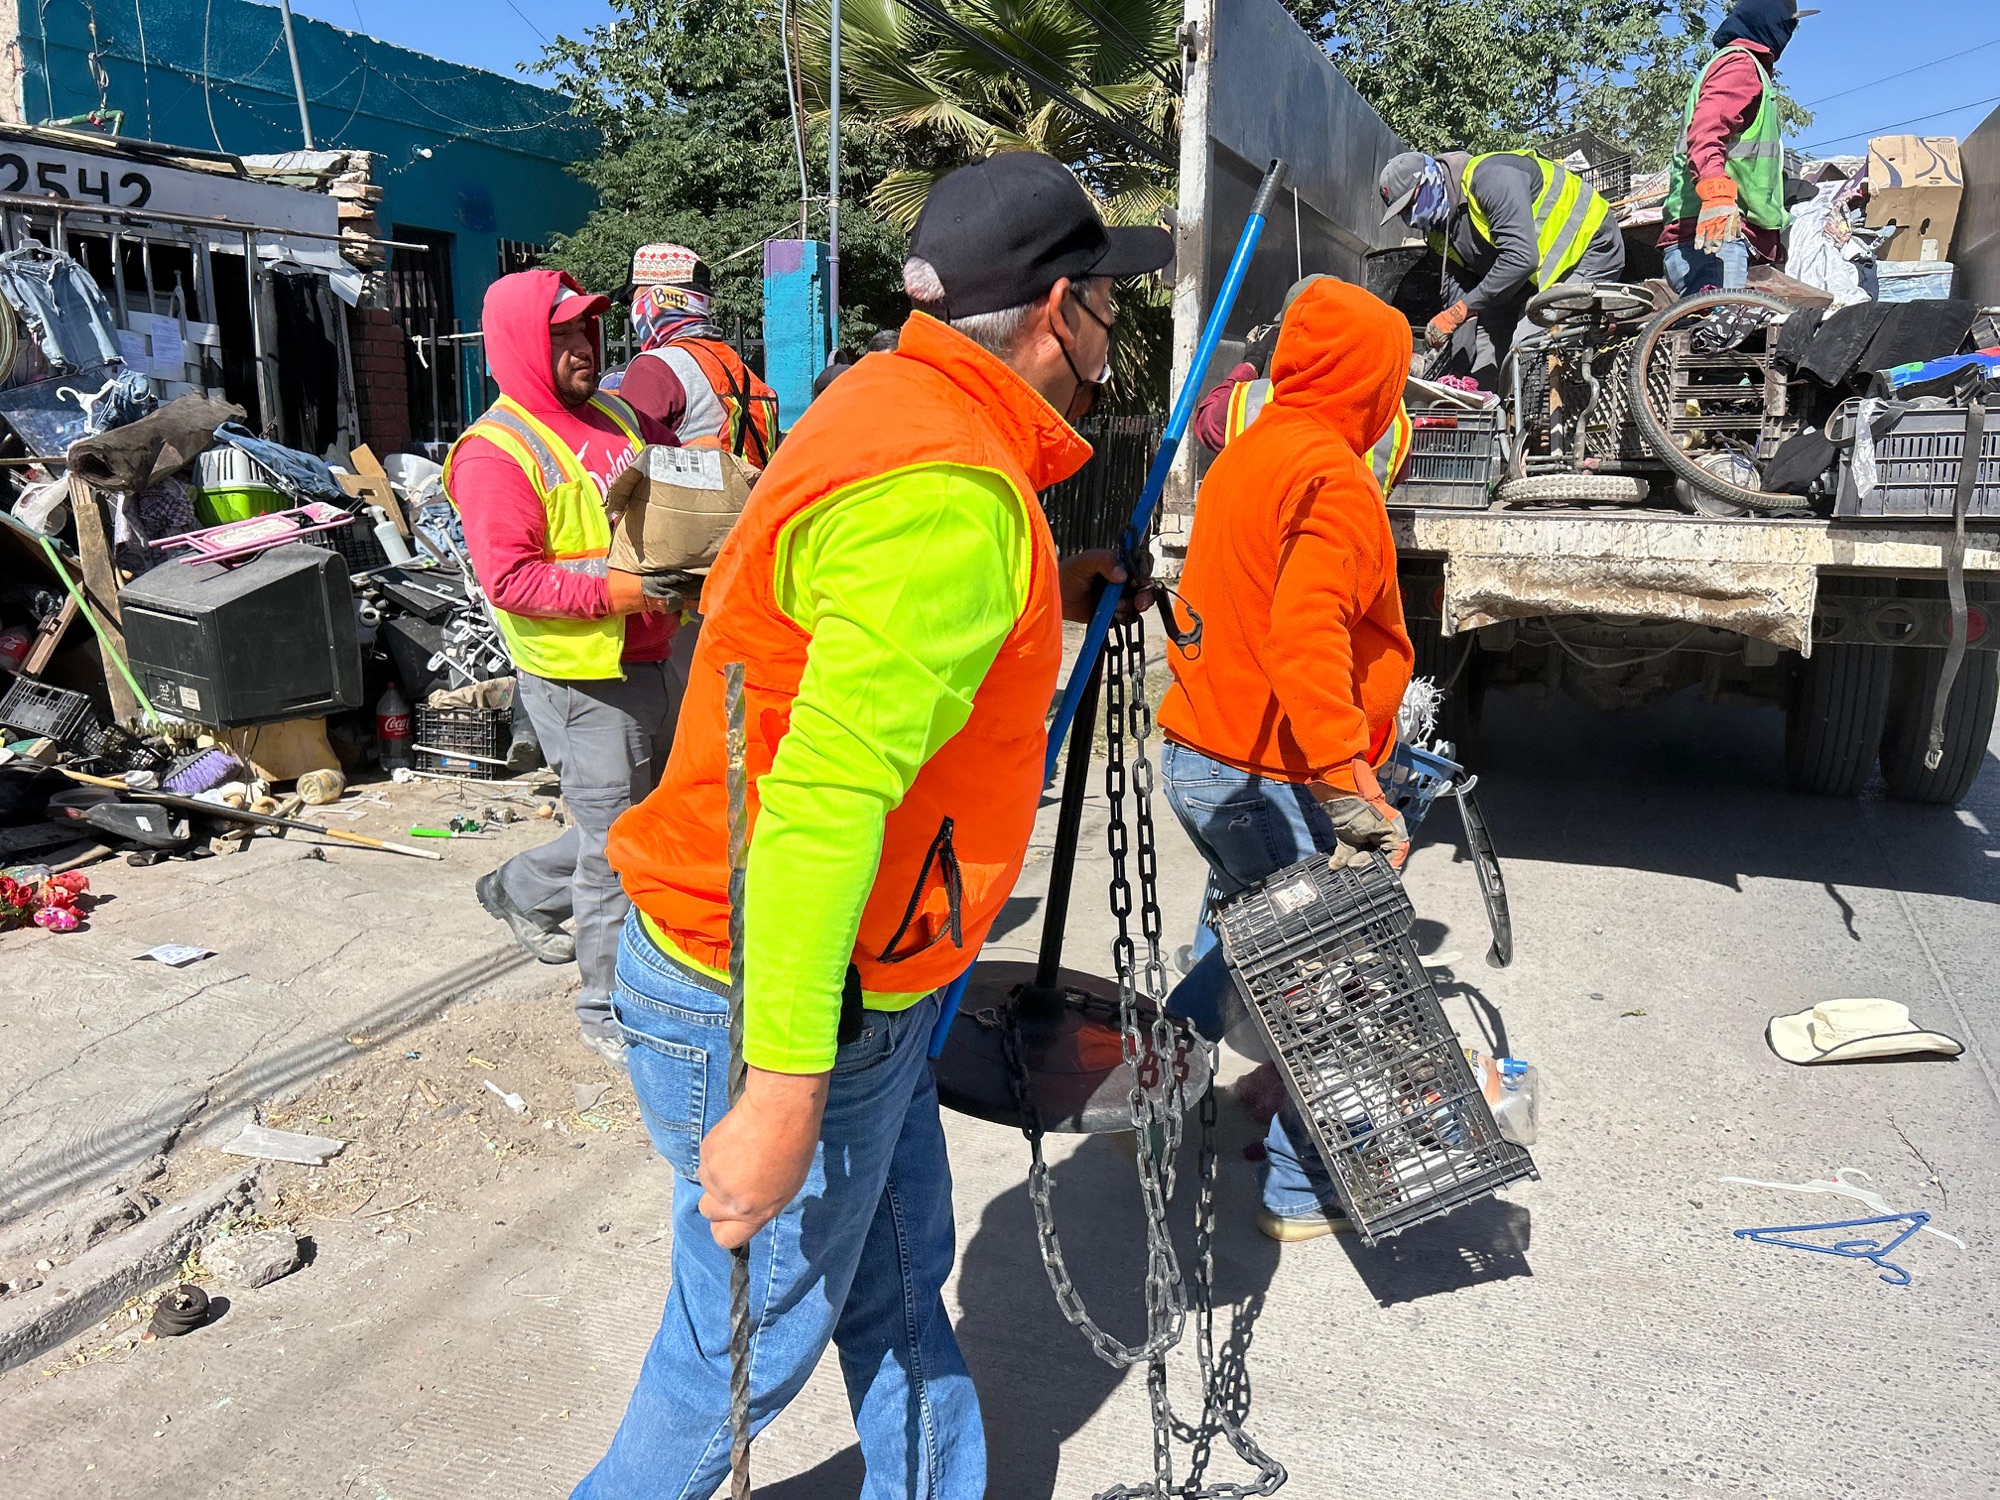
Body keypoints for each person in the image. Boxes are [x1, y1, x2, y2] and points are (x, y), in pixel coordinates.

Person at [577, 152, 1170, 1498]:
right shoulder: (949, 493)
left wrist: (1056, 582)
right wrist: (783, 1087)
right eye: (1106, 303)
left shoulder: (885, 403)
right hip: (783, 989)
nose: (1113, 331)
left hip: (850, 983)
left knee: (900, 1285)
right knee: (735, 1357)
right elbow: (823, 805)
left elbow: (855, 622)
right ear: (1052, 311)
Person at [1157, 277, 1416, 1243]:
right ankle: (1310, 1188)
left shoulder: (1252, 451)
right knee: (1325, 973)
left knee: (1242, 943)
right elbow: (1309, 637)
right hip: (1271, 767)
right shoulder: (1333, 477)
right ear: (1373, 380)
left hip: (1207, 756)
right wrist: (1353, 784)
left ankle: (1147, 1085)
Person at [444, 269, 689, 1066]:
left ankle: (518, 889)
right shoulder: (496, 452)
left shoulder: (622, 411)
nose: (584, 348)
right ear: (521, 345)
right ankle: (607, 1010)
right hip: (585, 679)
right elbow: (511, 580)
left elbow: (683, 491)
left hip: (657, 649)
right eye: (562, 337)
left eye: (587, 332)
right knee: (617, 848)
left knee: (634, 827)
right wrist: (626, 588)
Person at [1379, 146, 1625, 389]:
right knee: (1484, 365)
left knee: (1528, 345)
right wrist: (1456, 376)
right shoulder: (1440, 235)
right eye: (1402, 213)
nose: (1411, 219)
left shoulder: (1491, 178)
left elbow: (1521, 258)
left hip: (1587, 248)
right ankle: (1493, 418)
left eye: (1411, 205)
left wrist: (1459, 311)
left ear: (1429, 181)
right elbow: (1460, 303)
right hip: (1531, 278)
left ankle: (1542, 425)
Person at [1192, 274, 1414, 490]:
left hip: (1262, 526)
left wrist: (1251, 364)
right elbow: (1400, 472)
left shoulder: (1255, 400)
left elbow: (1205, 422)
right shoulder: (1389, 415)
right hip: (1354, 524)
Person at [1659, 0, 1816, 296]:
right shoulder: (1740, 65)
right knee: (1717, 336)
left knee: (1720, 332)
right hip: (1716, 239)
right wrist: (1717, 195)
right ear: (1770, 23)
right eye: (1788, 25)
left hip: (1722, 239)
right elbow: (1706, 132)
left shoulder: (1746, 67)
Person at [610, 242, 780, 464]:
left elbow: (623, 464)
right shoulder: (736, 367)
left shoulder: (654, 368)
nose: (632, 310)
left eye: (633, 297)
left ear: (657, 297)